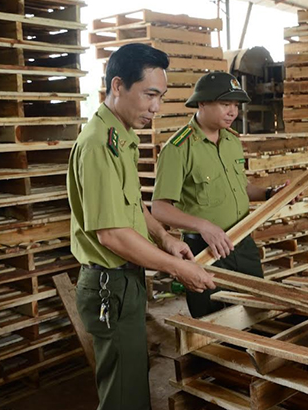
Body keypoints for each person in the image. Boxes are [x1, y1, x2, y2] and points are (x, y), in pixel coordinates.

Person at [67, 43, 215, 410]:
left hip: (123, 281)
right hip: (109, 284)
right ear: (118, 85)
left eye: (160, 97)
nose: (156, 108)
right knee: (123, 395)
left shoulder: (120, 139)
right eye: (150, 95)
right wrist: (178, 267)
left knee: (133, 378)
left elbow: (131, 205)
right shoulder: (100, 145)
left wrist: (164, 238)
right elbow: (112, 234)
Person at [151, 72, 286, 318]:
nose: (233, 112)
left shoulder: (232, 141)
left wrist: (269, 193)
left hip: (242, 242)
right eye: (225, 104)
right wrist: (203, 226)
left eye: (235, 105)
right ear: (202, 103)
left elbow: (241, 187)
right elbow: (159, 208)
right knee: (212, 321)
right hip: (204, 249)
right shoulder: (178, 148)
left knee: (258, 311)